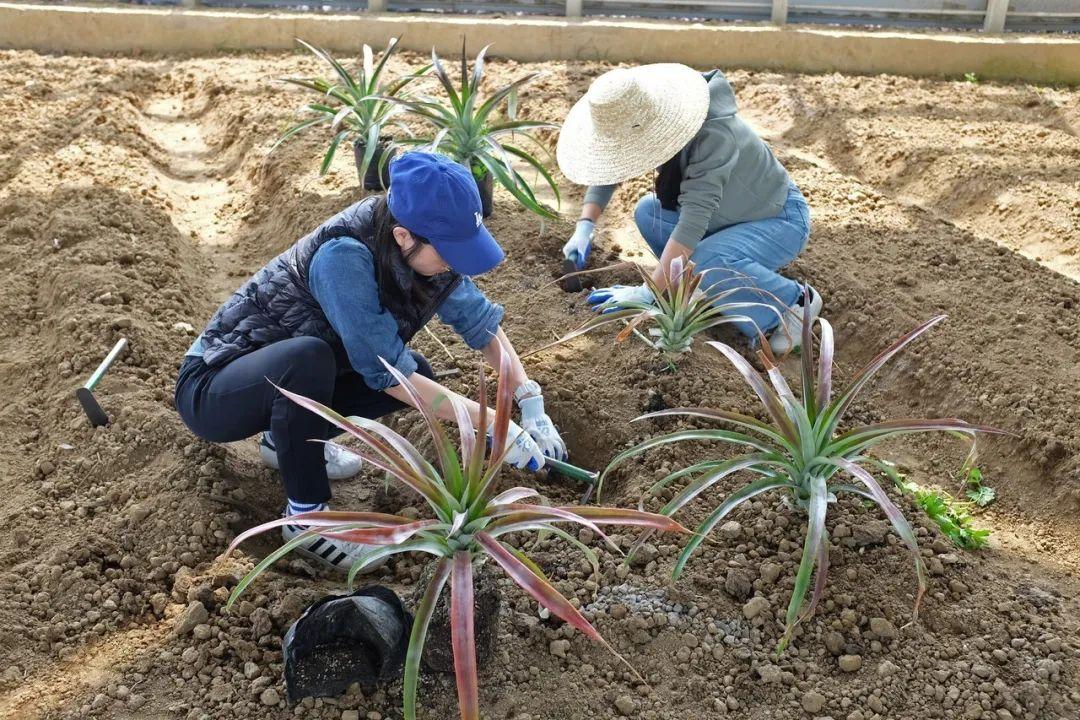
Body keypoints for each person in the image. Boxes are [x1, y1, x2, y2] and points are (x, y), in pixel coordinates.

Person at [175, 152, 566, 572]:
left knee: (419, 372)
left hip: (280, 378)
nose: (455, 263)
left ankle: (283, 443)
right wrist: (490, 424)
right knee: (311, 360)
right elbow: (386, 372)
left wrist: (529, 399)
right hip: (214, 389)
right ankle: (307, 519)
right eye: (450, 251)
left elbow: (481, 324)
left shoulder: (426, 255)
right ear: (403, 237)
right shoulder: (344, 257)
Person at [556, 64, 820, 354]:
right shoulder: (653, 118)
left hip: (776, 219)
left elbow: (694, 219)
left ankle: (791, 306)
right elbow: (612, 165)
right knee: (648, 212)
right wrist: (585, 226)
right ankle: (705, 286)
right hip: (727, 219)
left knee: (709, 259)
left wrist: (648, 293)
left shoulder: (714, 134)